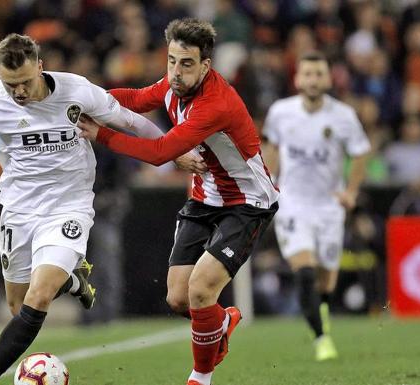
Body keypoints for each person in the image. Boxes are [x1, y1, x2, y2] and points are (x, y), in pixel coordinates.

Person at [0, 33, 203, 385]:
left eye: (25, 82)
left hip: (69, 205)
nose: (18, 92)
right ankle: (71, 278)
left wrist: (173, 150)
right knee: (18, 307)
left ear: (41, 67)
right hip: (19, 210)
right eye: (9, 83)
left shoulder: (77, 91)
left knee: (39, 295)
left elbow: (128, 121)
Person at [78, 18, 279, 385]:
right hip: (204, 197)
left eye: (186, 64)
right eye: (172, 61)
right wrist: (84, 96)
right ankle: (221, 321)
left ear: (206, 65)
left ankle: (200, 378)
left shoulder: (215, 104)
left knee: (201, 290)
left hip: (247, 203)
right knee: (178, 299)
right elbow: (136, 100)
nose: (176, 72)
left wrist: (100, 134)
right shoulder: (173, 85)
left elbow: (159, 153)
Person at [262, 51, 370, 361]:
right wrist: (270, 186)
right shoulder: (281, 112)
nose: (312, 80)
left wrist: (350, 191)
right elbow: (271, 146)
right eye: (307, 74)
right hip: (293, 204)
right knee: (305, 272)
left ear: (328, 79)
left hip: (329, 207)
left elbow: (361, 152)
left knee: (326, 280)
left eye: (318, 74)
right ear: (297, 79)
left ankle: (319, 310)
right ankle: (322, 339)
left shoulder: (344, 116)